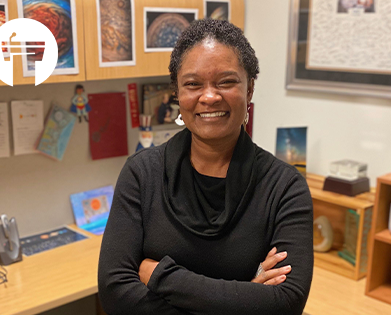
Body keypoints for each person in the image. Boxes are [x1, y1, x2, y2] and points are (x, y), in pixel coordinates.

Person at [98, 19, 313, 315]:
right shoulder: (142, 173)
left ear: (249, 89)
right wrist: (247, 295)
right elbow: (115, 294)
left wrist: (160, 276)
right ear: (177, 93)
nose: (209, 96)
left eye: (226, 82)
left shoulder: (285, 187)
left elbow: (286, 304)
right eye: (193, 84)